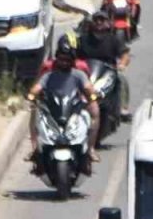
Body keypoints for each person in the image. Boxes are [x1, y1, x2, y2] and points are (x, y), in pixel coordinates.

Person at [27, 37, 101, 173]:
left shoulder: (79, 74)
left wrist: (93, 96)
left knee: (95, 112)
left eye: (67, 59)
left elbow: (88, 87)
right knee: (34, 112)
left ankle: (90, 148)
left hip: (73, 106)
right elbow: (37, 86)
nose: (64, 62)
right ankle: (34, 148)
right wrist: (32, 95)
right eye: (61, 59)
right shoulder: (49, 74)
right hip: (51, 106)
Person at [78, 11, 133, 119]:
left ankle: (123, 108)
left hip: (108, 72)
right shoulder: (83, 39)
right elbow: (74, 54)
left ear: (107, 23)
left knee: (121, 79)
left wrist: (122, 64)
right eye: (96, 20)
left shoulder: (113, 40)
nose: (99, 22)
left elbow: (125, 54)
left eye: (102, 20)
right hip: (86, 71)